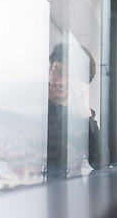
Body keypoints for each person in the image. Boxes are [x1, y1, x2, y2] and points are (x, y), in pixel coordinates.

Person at [47, 42, 108, 179]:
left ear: (82, 82)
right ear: (50, 68)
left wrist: (85, 114)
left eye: (71, 76)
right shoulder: (38, 108)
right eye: (57, 71)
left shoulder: (82, 115)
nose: (61, 81)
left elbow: (100, 162)